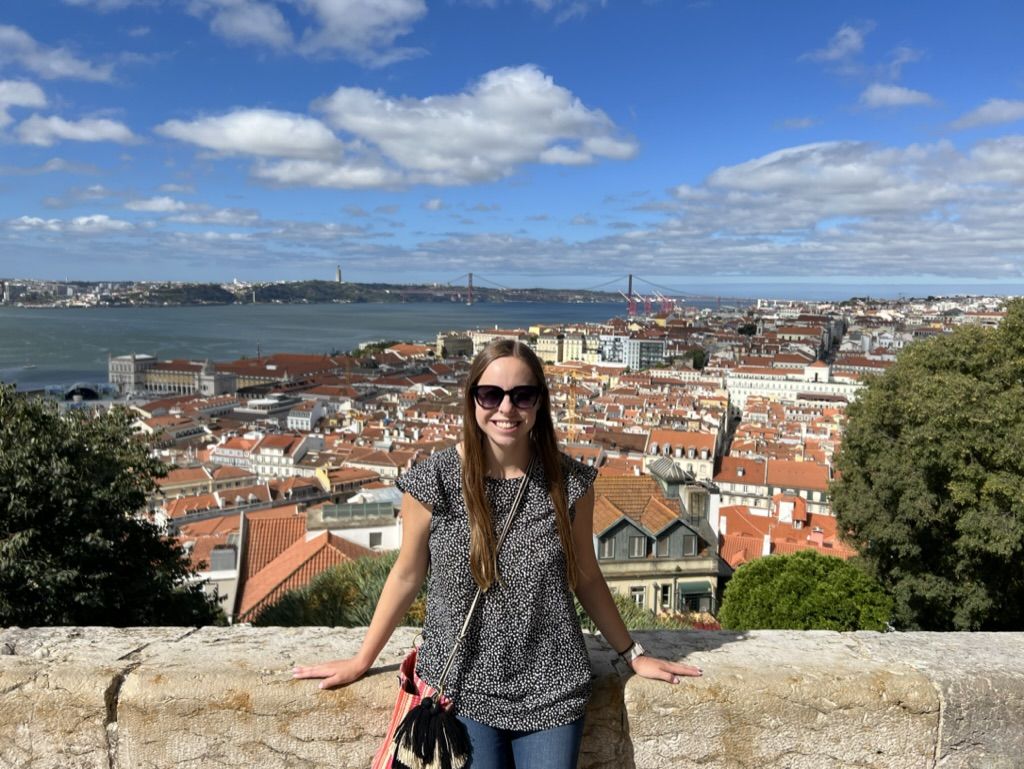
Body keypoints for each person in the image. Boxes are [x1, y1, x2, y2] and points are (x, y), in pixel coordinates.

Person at [293, 339, 702, 768]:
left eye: (522, 395)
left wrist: (633, 655)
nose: (506, 409)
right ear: (472, 400)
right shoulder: (435, 481)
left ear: (539, 403)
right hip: (464, 684)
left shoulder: (569, 484)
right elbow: (406, 576)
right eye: (491, 394)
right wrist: (363, 660)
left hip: (552, 685)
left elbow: (585, 575)